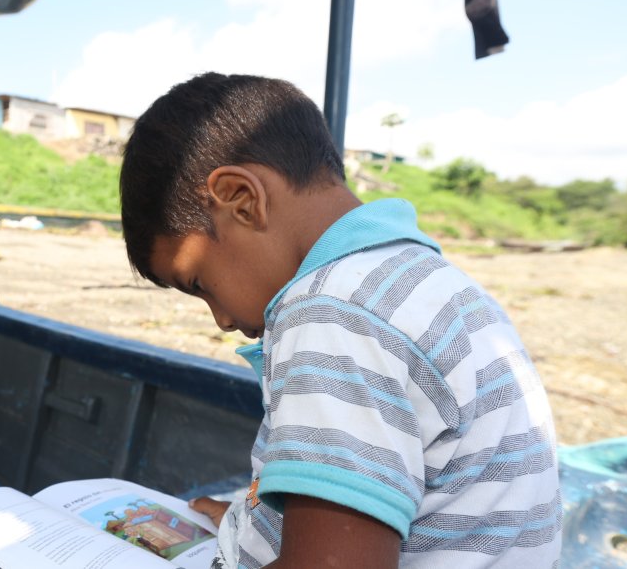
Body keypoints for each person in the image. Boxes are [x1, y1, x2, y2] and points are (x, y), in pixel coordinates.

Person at [119, 73, 561, 568]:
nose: (221, 319)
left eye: (199, 283)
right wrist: (254, 524)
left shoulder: (332, 313)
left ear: (242, 199)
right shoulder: (418, 279)